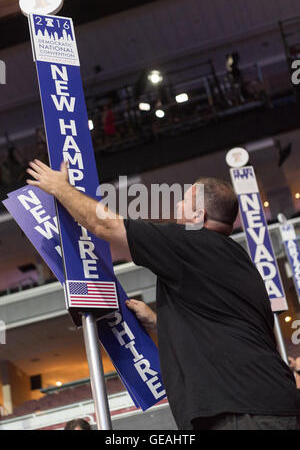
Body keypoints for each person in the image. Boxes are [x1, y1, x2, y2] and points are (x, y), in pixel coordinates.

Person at [26, 160, 300, 430]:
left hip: (240, 412)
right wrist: (162, 323)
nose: (176, 207)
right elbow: (225, 326)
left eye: (182, 202)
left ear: (198, 217)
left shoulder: (192, 242)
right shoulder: (238, 260)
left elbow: (106, 226)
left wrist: (60, 189)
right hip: (275, 405)